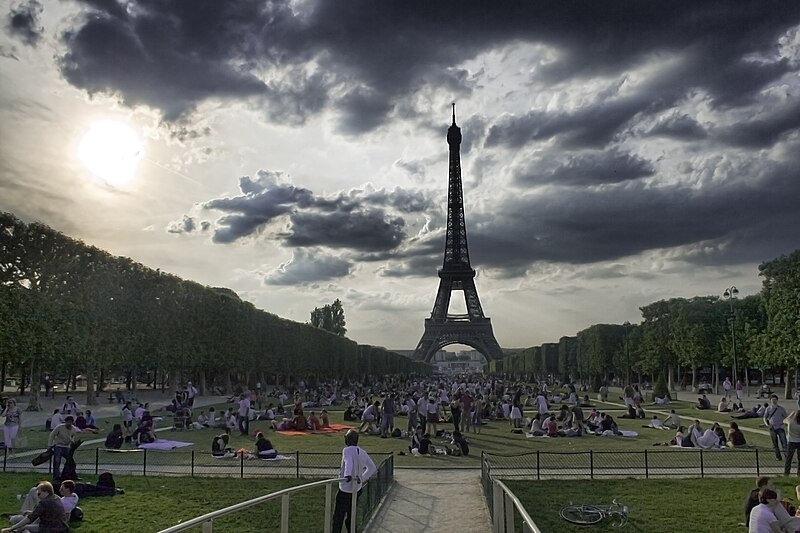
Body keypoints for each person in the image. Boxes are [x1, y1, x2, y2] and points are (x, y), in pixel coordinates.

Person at [332, 430, 377, 533]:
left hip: (345, 490)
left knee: (338, 517)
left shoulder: (346, 450)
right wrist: (362, 478)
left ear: (348, 440)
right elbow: (372, 468)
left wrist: (348, 475)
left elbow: (349, 462)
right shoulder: (362, 452)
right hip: (356, 489)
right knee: (351, 516)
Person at [2, 481, 68, 533]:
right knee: (22, 522)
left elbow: (30, 519)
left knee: (24, 527)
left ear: (46, 492)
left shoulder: (44, 502)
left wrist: (11, 528)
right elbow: (47, 513)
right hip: (62, 527)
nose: (38, 496)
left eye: (39, 493)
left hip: (50, 528)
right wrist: (32, 512)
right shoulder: (56, 498)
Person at [48, 416, 79, 480]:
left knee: (71, 462)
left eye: (70, 422)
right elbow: (52, 435)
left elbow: (73, 436)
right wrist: (50, 445)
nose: (69, 424)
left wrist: (72, 441)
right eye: (67, 422)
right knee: (57, 461)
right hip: (59, 446)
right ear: (65, 422)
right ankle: (56, 477)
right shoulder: (60, 427)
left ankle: (72, 475)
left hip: (67, 447)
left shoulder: (73, 429)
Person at [764, 395, 788, 461]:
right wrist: (767, 424)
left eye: (775, 399)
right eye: (772, 400)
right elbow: (765, 417)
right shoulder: (768, 409)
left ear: (777, 400)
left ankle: (787, 457)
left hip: (780, 427)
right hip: (772, 428)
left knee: (784, 443)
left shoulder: (781, 409)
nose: (774, 401)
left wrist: (784, 424)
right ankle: (778, 457)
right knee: (775, 444)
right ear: (770, 400)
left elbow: (786, 418)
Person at [785, 410, 800, 476]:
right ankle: (799, 473)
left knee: (789, 458)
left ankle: (786, 473)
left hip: (791, 441)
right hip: (799, 441)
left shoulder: (790, 422)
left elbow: (784, 420)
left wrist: (791, 414)